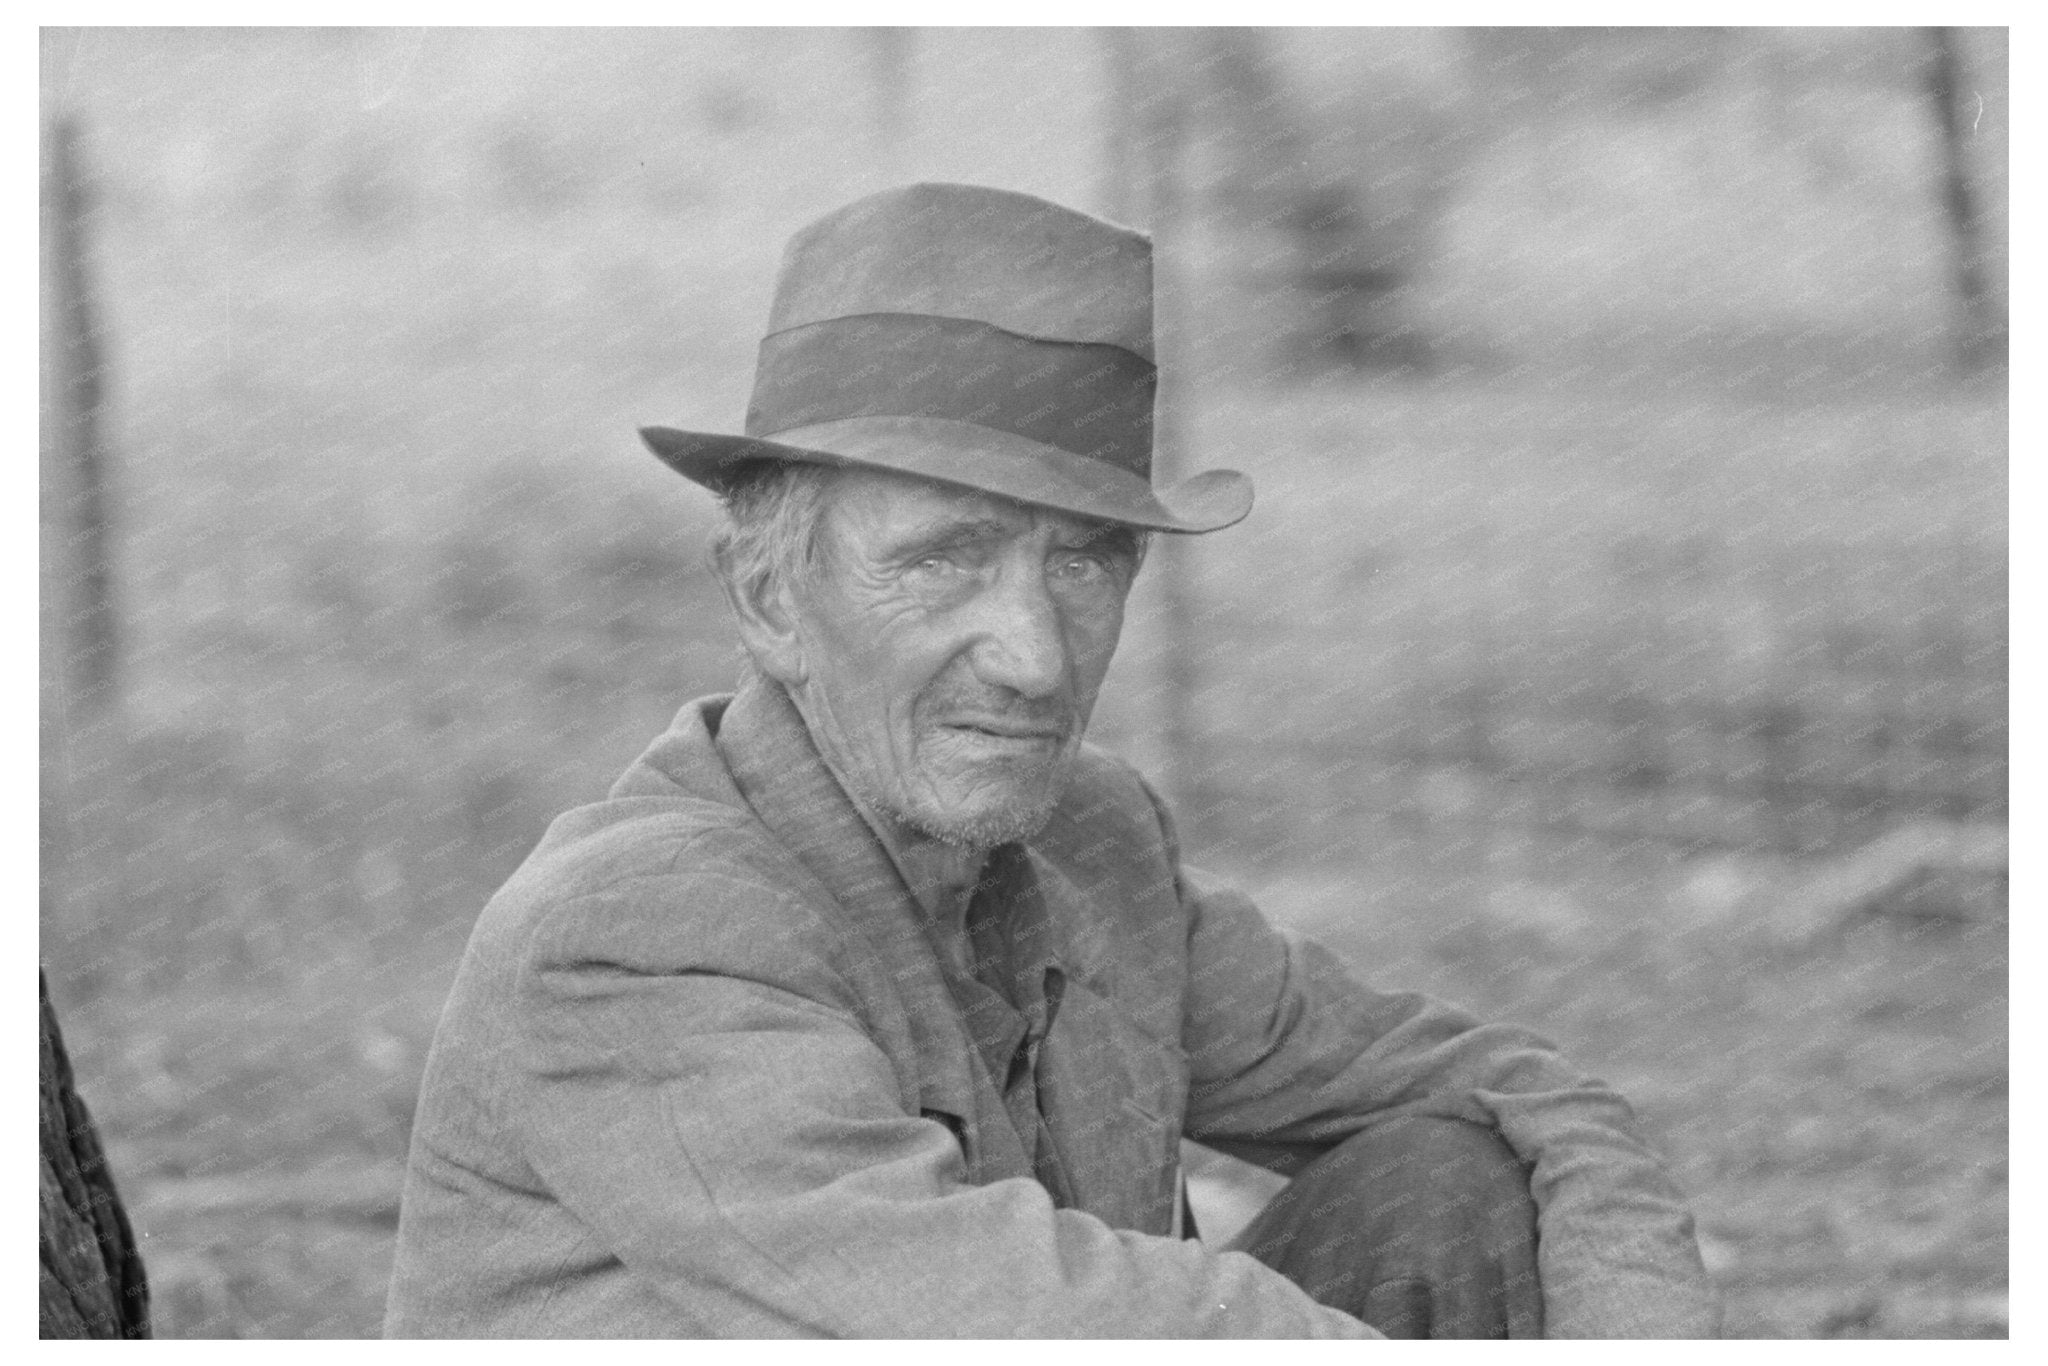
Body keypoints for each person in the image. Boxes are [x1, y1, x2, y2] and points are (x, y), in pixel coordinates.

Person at [385, 182, 1719, 1339]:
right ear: (767, 596)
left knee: (1447, 1181)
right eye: (944, 556)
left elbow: (1532, 1097)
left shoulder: (1093, 838)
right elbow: (1002, 1313)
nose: (1033, 653)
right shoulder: (634, 935)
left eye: (1082, 561)